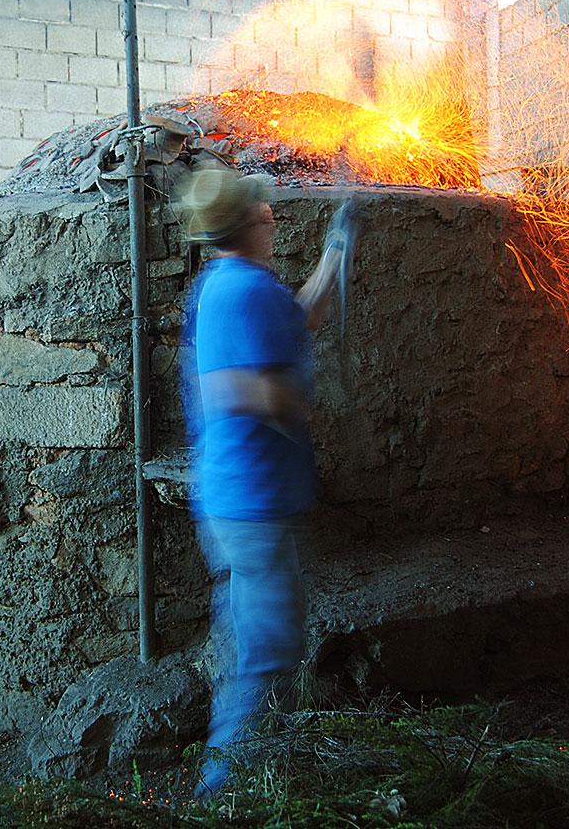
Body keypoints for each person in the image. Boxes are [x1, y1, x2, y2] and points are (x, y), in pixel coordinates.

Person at [176, 164, 344, 799]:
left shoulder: (243, 285)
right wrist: (293, 398)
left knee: (264, 643)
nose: (273, 217)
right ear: (244, 224)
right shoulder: (238, 291)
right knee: (266, 661)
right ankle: (219, 797)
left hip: (252, 501)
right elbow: (228, 386)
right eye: (264, 212)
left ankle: (254, 777)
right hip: (252, 506)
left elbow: (299, 319)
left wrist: (332, 254)